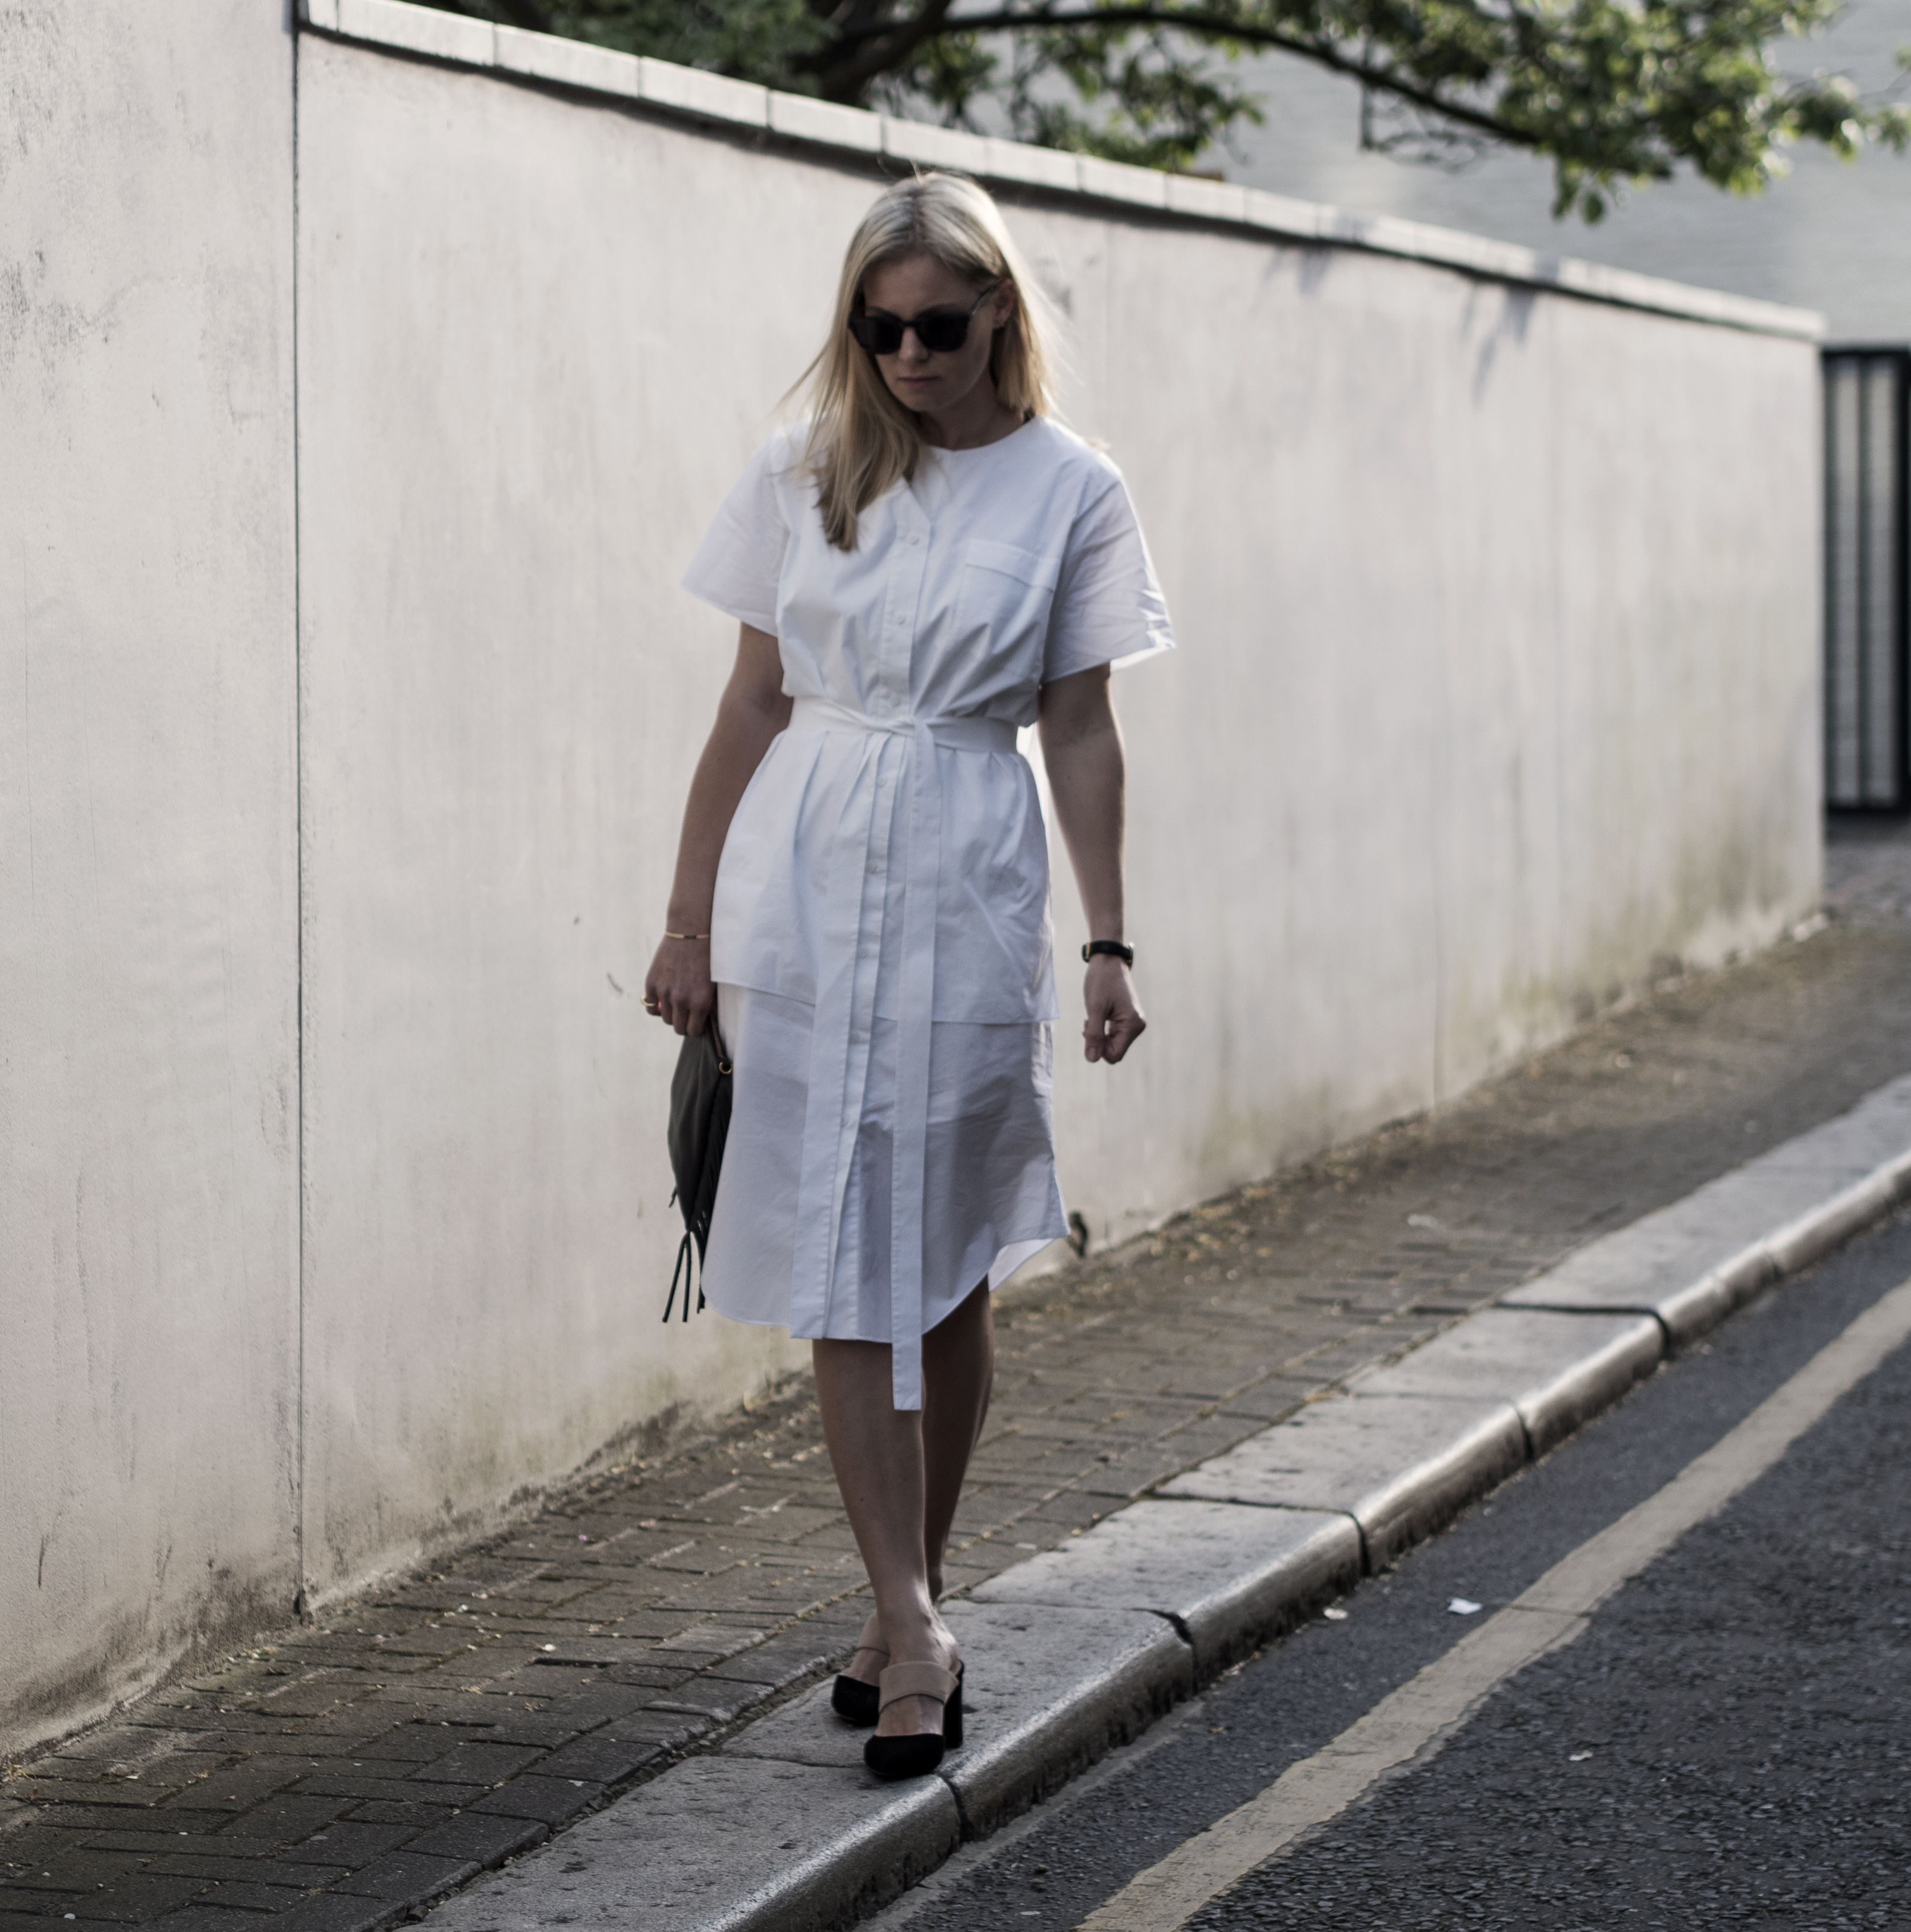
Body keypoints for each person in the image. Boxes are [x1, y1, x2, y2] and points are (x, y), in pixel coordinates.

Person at [642, 171, 1175, 1780]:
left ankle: (902, 1609)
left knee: (941, 1265)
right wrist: (685, 920)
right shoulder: (805, 469)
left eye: (938, 325)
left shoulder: (1074, 489)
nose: (907, 357)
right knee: (835, 1252)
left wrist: (1108, 939)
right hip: (801, 883)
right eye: (877, 331)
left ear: (1000, 308)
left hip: (967, 875)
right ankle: (914, 1621)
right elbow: (750, 705)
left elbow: (1080, 727)